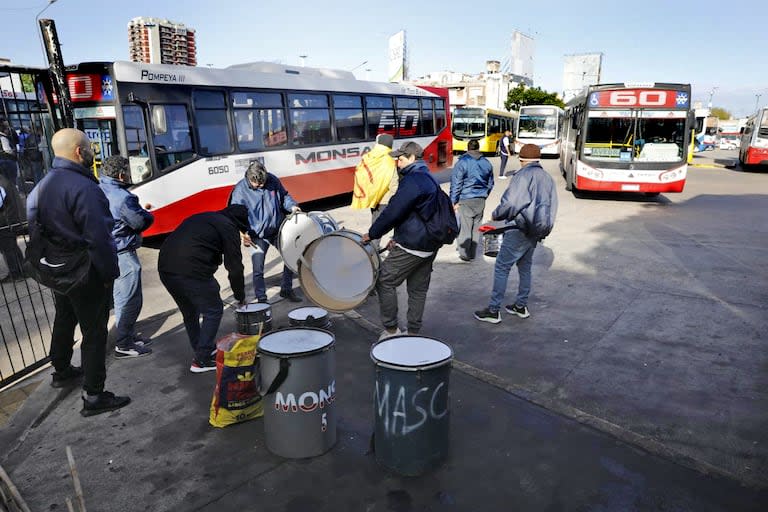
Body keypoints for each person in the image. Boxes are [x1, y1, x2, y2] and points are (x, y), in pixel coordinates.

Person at [26, 128, 130, 417]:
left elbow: (34, 233)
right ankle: (94, 395)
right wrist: (110, 272)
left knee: (65, 317)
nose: (92, 152)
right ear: (79, 152)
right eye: (89, 148)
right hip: (85, 273)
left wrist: (49, 265)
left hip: (56, 271)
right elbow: (100, 238)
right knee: (94, 332)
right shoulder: (85, 188)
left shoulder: (40, 186)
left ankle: (60, 369)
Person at [361, 141, 442, 340]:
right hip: (429, 244)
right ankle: (413, 331)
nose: (398, 163)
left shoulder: (413, 180)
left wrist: (372, 234)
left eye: (401, 159)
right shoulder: (428, 178)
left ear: (413, 158)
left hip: (413, 245)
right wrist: (397, 238)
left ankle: (391, 330)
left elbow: (393, 212)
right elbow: (415, 214)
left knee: (384, 281)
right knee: (417, 289)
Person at [158, 204, 249, 373]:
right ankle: (202, 359)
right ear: (238, 224)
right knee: (213, 310)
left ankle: (201, 348)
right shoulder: (229, 227)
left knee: (190, 312)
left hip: (165, 268)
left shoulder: (206, 216)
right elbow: (235, 267)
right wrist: (240, 296)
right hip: (191, 271)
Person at [474, 144, 558, 324]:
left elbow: (511, 202)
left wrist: (496, 214)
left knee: (502, 267)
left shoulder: (523, 175)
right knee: (525, 267)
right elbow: (552, 207)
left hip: (519, 228)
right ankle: (521, 306)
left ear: (521, 159)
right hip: (536, 231)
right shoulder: (547, 178)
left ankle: (493, 310)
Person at [99, 155, 154, 358]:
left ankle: (128, 336)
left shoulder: (100, 188)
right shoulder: (123, 197)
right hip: (123, 252)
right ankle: (124, 344)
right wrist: (147, 213)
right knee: (130, 299)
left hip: (108, 250)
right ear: (122, 174)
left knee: (122, 297)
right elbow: (140, 222)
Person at [229, 161, 302, 303]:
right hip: (257, 236)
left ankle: (286, 290)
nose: (261, 186)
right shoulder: (240, 191)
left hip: (277, 230)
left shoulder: (272, 180)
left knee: (290, 257)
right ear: (249, 178)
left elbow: (284, 196)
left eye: (263, 182)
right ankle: (261, 298)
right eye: (257, 184)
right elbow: (234, 216)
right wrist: (243, 233)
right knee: (258, 269)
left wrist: (292, 206)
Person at [351, 133, 398, 250]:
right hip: (385, 199)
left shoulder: (368, 157)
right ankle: (373, 251)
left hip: (373, 198)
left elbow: (360, 173)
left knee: (375, 223)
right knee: (379, 227)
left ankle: (372, 247)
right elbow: (394, 184)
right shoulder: (389, 160)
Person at [450, 139, 494, 261]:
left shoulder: (462, 162)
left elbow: (456, 184)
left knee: (465, 227)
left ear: (468, 148)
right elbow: (490, 183)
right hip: (481, 199)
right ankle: (472, 253)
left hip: (466, 199)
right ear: (478, 148)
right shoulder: (487, 163)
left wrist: (453, 202)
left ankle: (465, 254)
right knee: (476, 227)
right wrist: (484, 195)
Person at [0, 173, 25, 283]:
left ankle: (16, 273)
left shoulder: (1, 184)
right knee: (12, 247)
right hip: (10, 219)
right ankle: (22, 270)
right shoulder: (4, 180)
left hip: (6, 221)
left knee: (8, 248)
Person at [0, 119, 18, 188]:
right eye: (7, 129)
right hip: (8, 160)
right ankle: (13, 195)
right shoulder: (3, 137)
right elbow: (7, 149)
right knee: (11, 180)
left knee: (4, 181)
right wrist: (13, 153)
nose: (8, 130)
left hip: (2, 160)